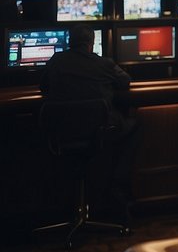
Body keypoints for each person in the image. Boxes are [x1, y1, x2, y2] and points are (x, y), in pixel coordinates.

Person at [40, 25, 141, 220]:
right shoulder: (104, 64)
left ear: (69, 42)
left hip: (61, 134)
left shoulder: (56, 61)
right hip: (99, 133)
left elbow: (43, 86)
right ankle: (117, 191)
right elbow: (125, 82)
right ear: (91, 43)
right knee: (134, 126)